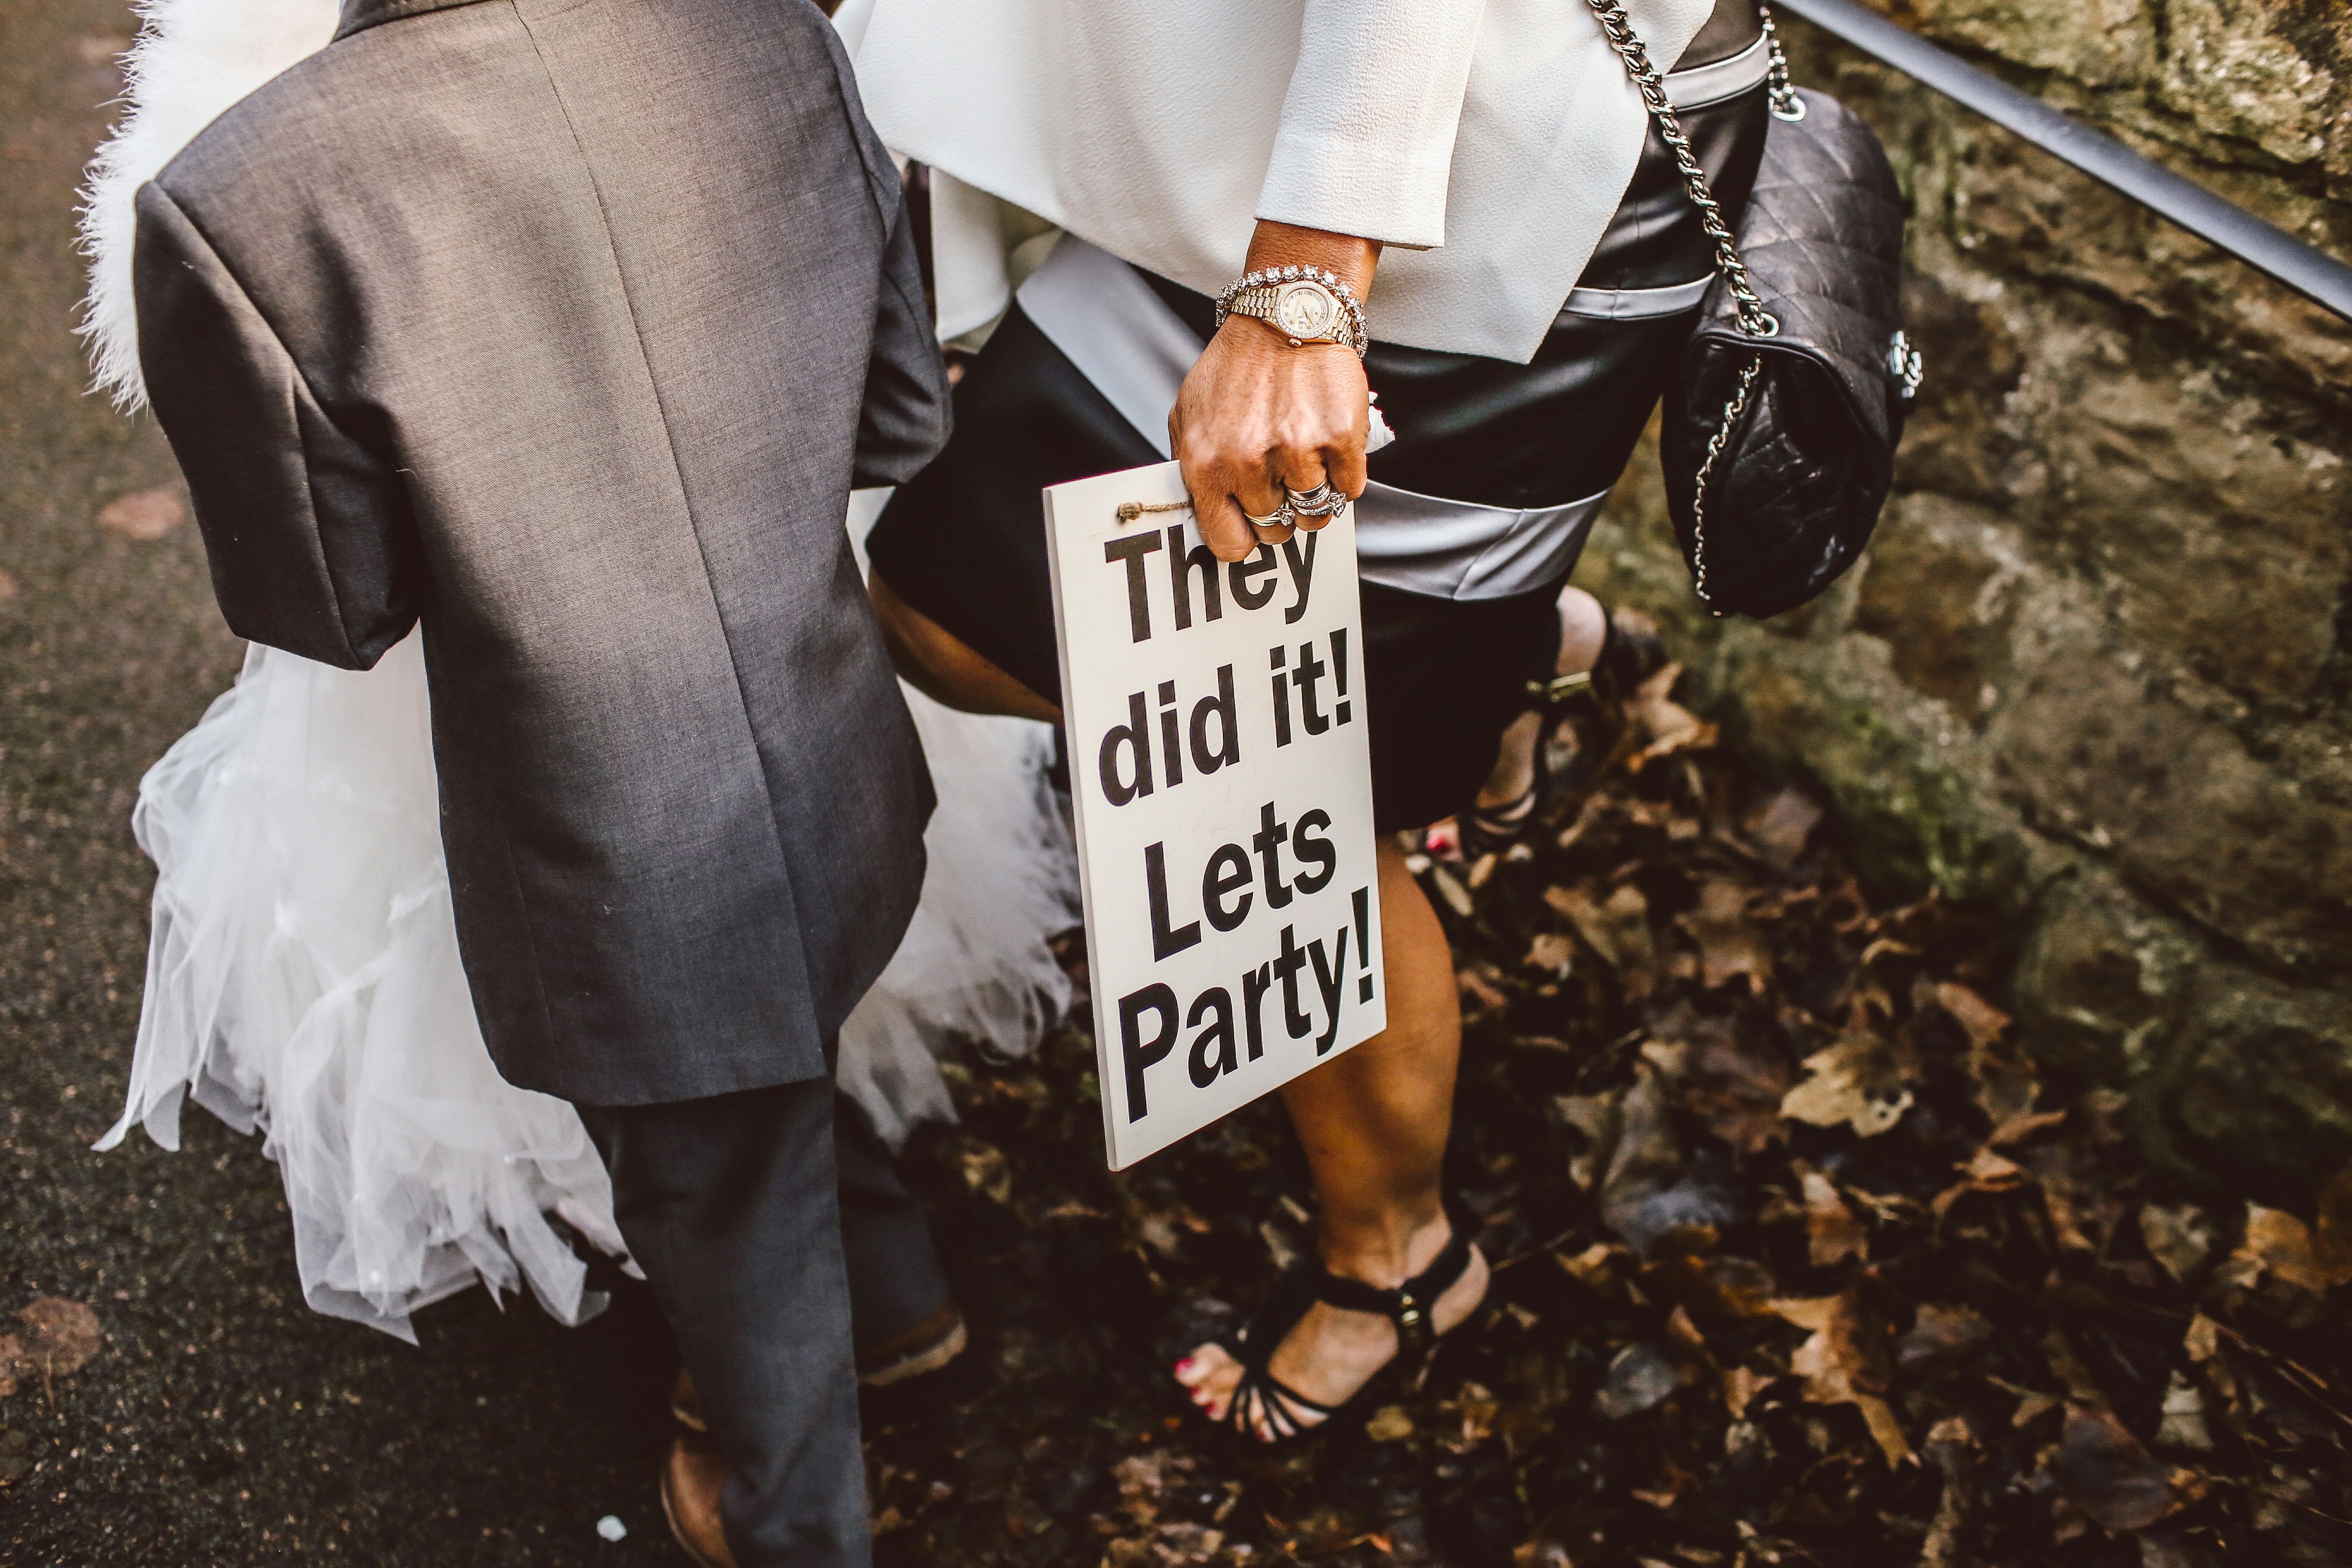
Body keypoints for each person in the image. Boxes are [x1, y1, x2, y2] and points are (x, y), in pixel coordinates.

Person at [99, 1, 1004, 1561]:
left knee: (707, 1182)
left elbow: (336, 605)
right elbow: (902, 417)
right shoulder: (772, 30)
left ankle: (799, 1518)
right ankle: (906, 1307)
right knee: (780, 1061)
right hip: (835, 745)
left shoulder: (240, 194)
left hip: (598, 831)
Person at [844, 0, 1773, 1439]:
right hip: (1228, 136)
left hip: (1446, 177)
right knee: (936, 597)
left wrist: (1301, 291)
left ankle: (1400, 1256)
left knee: (1261, 779)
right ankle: (1495, 665)